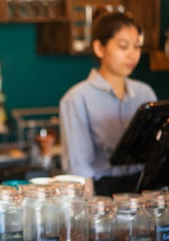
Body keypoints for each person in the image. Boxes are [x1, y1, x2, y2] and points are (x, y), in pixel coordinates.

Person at [59, 11, 157, 196]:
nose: (132, 55)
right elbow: (79, 168)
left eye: (136, 46)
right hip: (102, 194)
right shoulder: (76, 98)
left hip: (146, 192)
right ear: (99, 48)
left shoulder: (145, 93)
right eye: (123, 46)